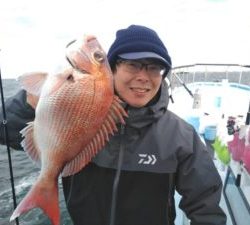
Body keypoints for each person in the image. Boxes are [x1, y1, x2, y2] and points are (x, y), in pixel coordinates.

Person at [0, 25, 226, 225]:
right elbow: (5, 130)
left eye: (154, 68)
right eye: (133, 65)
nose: (143, 77)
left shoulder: (182, 136)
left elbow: (205, 206)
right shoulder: (78, 111)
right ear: (112, 69)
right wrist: (32, 99)